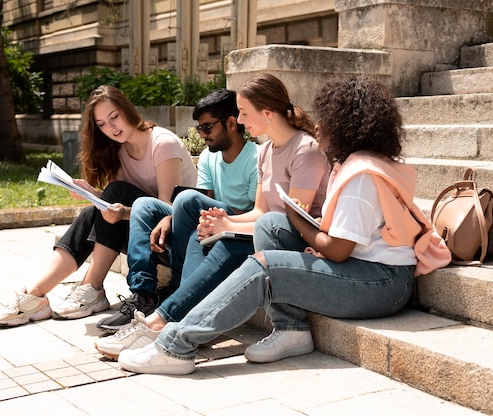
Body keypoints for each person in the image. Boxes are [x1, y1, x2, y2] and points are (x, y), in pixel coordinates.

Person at [115, 75, 452, 374]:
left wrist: (300, 223)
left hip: (382, 284)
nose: (319, 128)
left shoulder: (359, 175)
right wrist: (296, 225)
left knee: (266, 265)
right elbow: (338, 238)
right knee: (272, 224)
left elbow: (336, 250)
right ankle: (291, 329)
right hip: (371, 272)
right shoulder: (359, 163)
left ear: (346, 126)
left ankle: (174, 344)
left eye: (327, 121)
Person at [94, 72, 330, 359]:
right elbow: (261, 210)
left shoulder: (305, 150)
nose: (239, 120)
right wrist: (222, 223)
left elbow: (292, 219)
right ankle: (171, 314)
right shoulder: (267, 151)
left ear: (267, 113)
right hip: (267, 229)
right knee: (200, 223)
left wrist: (229, 224)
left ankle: (161, 321)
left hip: (294, 242)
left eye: (243, 113)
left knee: (228, 240)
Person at [0, 85, 197, 327]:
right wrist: (92, 193)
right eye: (101, 124)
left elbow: (166, 207)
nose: (111, 128)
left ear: (127, 110)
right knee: (93, 210)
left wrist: (119, 210)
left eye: (114, 117)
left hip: (174, 238)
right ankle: (36, 294)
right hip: (145, 235)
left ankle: (92, 287)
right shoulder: (117, 150)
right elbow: (119, 205)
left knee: (115, 192)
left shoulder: (162, 143)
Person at [96, 89, 259, 332]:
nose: (202, 135)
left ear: (232, 123)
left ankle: (179, 297)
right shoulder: (207, 157)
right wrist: (171, 217)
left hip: (235, 230)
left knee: (186, 199)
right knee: (143, 204)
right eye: (199, 129)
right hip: (207, 224)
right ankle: (144, 295)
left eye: (207, 128)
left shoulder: (255, 158)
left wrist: (202, 218)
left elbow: (258, 213)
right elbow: (203, 205)